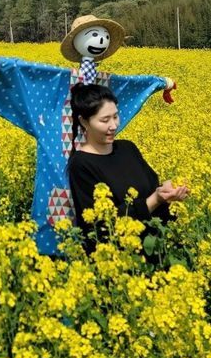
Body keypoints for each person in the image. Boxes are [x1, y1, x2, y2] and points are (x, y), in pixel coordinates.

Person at [0, 14, 176, 256]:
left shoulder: (108, 86)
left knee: (102, 227)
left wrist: (161, 83)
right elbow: (27, 73)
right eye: (93, 35)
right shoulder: (58, 82)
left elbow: (132, 84)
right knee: (59, 236)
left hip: (103, 182)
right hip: (59, 177)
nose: (99, 41)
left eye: (103, 36)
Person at [67, 83, 189, 250]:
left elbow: (153, 189)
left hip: (156, 247)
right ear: (84, 122)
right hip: (119, 258)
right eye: (105, 120)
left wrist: (169, 192)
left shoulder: (127, 148)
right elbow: (102, 225)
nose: (114, 126)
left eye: (115, 116)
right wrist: (156, 200)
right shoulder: (81, 164)